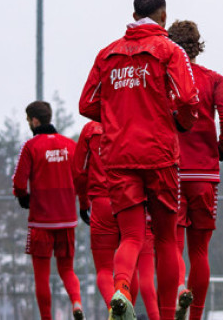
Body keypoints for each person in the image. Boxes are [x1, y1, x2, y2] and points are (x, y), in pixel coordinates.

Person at [79, 0, 201, 320]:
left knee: (131, 236)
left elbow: (87, 103)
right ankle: (164, 313)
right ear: (163, 17)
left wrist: (120, 115)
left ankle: (120, 290)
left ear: (134, 17)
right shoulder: (169, 50)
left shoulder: (107, 54)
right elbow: (189, 101)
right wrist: (179, 122)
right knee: (164, 238)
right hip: (159, 156)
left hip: (118, 157)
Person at [168, 19, 223, 320]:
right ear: (198, 46)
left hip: (170, 171)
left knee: (171, 245)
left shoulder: (165, 80)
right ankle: (196, 315)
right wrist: (222, 145)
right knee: (200, 250)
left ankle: (179, 289)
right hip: (204, 173)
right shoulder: (213, 79)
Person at [73, 119, 160, 320]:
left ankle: (115, 310)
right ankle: (126, 308)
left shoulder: (90, 129)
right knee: (131, 266)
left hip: (102, 202)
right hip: (130, 199)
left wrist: (84, 202)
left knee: (104, 268)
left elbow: (78, 171)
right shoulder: (134, 122)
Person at [13, 100, 84, 320]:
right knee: (67, 270)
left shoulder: (31, 147)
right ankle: (76, 302)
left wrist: (24, 199)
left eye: (28, 120)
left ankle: (46, 318)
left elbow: (18, 183)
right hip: (66, 220)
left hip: (41, 222)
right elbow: (81, 179)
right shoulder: (70, 145)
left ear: (35, 120)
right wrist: (83, 206)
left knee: (41, 277)